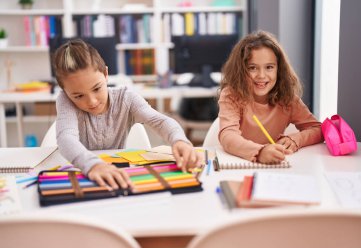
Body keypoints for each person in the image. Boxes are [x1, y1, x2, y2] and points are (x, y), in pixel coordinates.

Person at [53, 39, 203, 190]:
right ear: (65, 91)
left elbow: (160, 121)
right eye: (78, 96)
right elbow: (66, 138)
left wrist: (179, 141)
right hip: (84, 173)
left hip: (118, 174)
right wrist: (93, 165)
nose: (91, 101)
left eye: (97, 88)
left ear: (106, 74)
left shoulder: (126, 98)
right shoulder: (65, 101)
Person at [218, 30, 323, 164]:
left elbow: (318, 129)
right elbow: (227, 136)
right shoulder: (231, 95)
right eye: (252, 68)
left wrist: (295, 139)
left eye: (269, 67)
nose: (261, 76)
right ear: (240, 70)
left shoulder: (287, 98)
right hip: (240, 164)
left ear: (279, 70)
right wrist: (260, 152)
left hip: (275, 167)